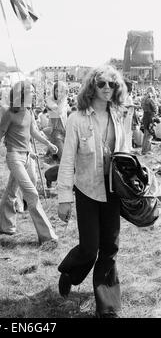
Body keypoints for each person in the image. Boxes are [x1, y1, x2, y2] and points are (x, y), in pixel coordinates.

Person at [57, 64, 128, 318]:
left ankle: (107, 306)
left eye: (113, 84)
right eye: (102, 84)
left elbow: (127, 155)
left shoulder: (121, 115)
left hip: (113, 191)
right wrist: (64, 199)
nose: (108, 88)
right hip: (86, 189)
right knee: (89, 248)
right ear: (92, 87)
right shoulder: (76, 119)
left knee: (110, 247)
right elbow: (67, 161)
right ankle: (69, 272)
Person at [0, 80, 59, 246]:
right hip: (14, 157)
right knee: (32, 193)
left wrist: (48, 144)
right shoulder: (9, 113)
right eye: (31, 92)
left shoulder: (28, 112)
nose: (34, 94)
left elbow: (33, 131)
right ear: (21, 94)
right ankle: (48, 237)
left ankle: (3, 225)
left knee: (11, 191)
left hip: (28, 157)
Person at [46, 81, 69, 161]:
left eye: (61, 91)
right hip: (56, 133)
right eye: (57, 91)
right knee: (64, 159)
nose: (59, 93)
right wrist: (64, 97)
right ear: (54, 91)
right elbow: (59, 111)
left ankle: (51, 153)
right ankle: (52, 152)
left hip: (66, 132)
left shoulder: (64, 101)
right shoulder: (50, 100)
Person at [141, 86, 158, 155]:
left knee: (146, 134)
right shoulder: (150, 100)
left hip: (145, 117)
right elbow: (155, 109)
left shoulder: (143, 99)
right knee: (149, 134)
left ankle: (144, 150)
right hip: (150, 117)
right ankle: (146, 151)